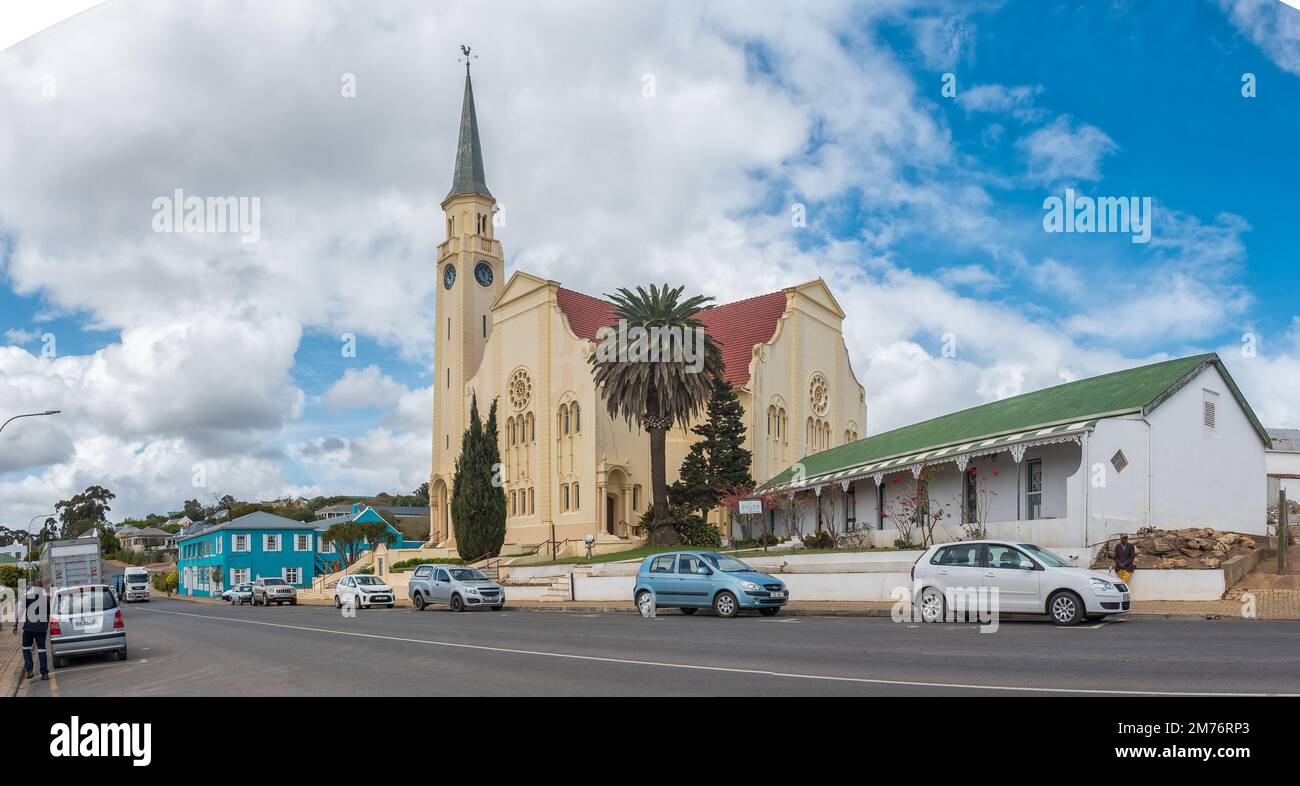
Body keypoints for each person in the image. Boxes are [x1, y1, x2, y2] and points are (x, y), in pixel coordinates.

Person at [11, 579, 51, 681]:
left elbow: (21, 612)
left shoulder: (28, 597)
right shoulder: (46, 599)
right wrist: (47, 624)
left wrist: (15, 624)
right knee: (42, 650)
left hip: (29, 628)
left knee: (26, 648)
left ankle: (29, 670)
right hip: (41, 629)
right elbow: (49, 614)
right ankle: (44, 673)